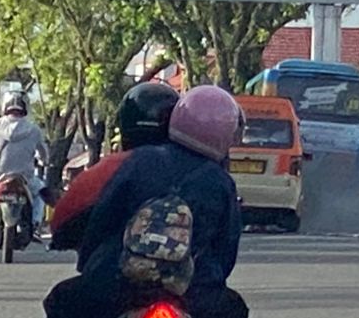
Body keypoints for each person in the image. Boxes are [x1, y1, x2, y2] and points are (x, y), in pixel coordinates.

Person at [43, 85, 247, 318]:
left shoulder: (135, 162)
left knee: (59, 300)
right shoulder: (221, 182)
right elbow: (225, 249)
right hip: (194, 293)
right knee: (235, 309)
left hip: (115, 285)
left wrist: (91, 263)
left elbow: (101, 220)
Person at [51, 82, 179, 252]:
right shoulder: (207, 172)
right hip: (194, 268)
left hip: (111, 265)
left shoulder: (111, 168)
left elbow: (61, 221)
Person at [0, 91, 49, 236]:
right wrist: (43, 161)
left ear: (5, 106)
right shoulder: (34, 130)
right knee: (40, 192)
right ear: (25, 107)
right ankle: (35, 224)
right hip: (25, 180)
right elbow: (44, 155)